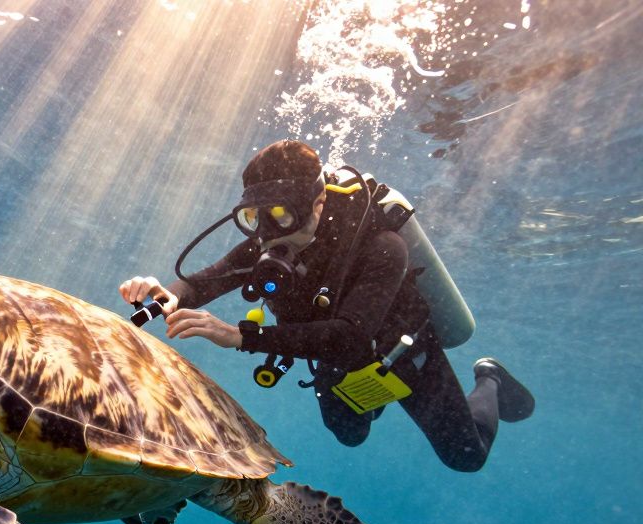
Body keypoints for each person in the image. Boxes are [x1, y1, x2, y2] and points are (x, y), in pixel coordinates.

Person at [119, 139, 534, 473]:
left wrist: (240, 336)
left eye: (281, 215)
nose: (266, 233)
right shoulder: (272, 237)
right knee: (350, 434)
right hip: (334, 358)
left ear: (317, 204)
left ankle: (490, 377)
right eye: (253, 218)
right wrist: (167, 295)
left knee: (466, 457)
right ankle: (376, 401)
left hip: (402, 353)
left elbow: (351, 338)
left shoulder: (381, 247)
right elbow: (206, 281)